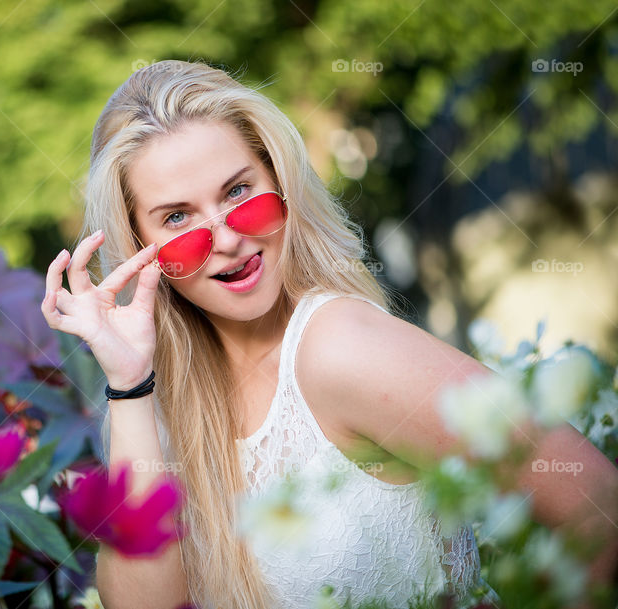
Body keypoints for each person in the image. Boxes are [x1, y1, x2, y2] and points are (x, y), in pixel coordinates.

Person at [40, 59, 618, 609]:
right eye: (177, 218)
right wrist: (130, 381)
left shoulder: (341, 346)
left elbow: (598, 506)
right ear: (142, 250)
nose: (225, 238)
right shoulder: (161, 404)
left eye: (239, 192)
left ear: (281, 183)